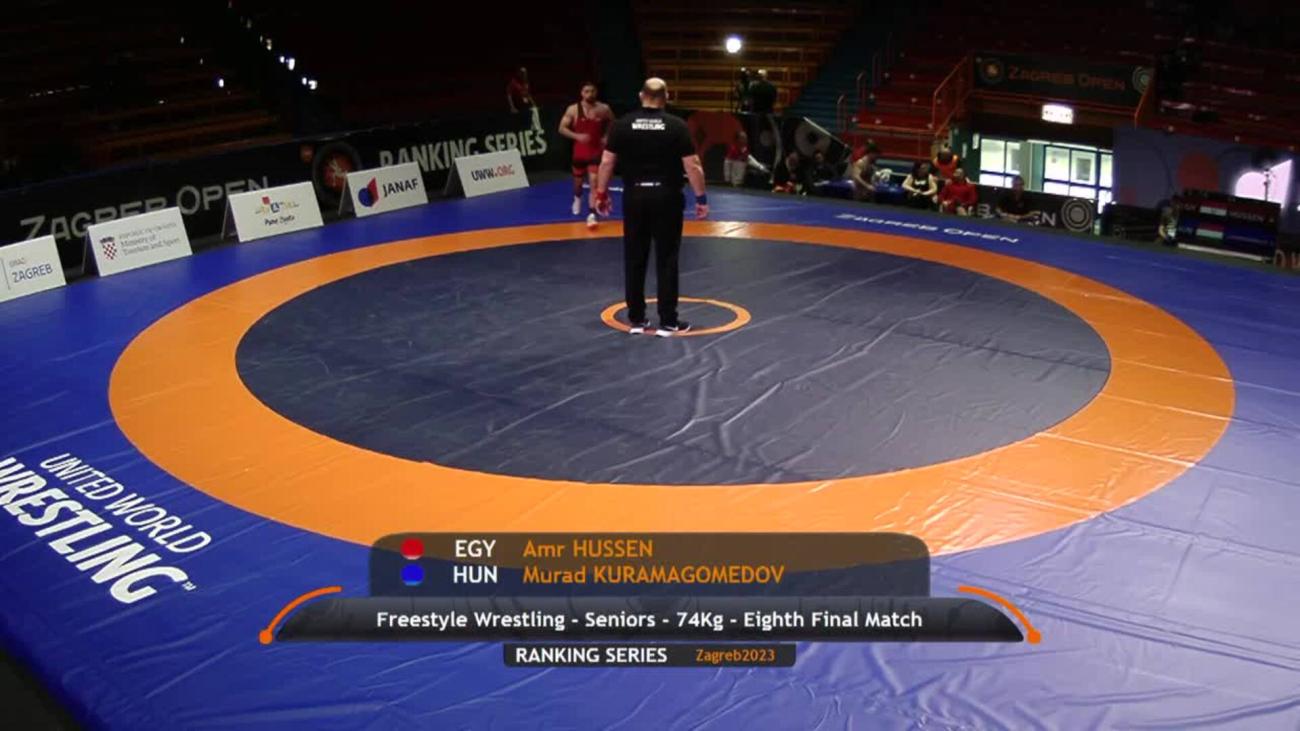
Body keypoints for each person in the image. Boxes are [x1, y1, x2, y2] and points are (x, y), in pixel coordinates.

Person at [594, 78, 708, 337]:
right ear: (666, 96)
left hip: (634, 195)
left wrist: (601, 194)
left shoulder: (622, 124)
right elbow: (693, 166)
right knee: (667, 258)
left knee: (635, 256)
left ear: (640, 95)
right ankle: (668, 321)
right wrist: (701, 198)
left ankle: (636, 318)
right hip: (666, 196)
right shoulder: (676, 126)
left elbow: (607, 162)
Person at [558, 82, 614, 227]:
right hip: (579, 153)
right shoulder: (573, 109)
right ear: (581, 93)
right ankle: (577, 198)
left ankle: (591, 214)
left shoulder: (604, 109)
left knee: (594, 182)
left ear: (596, 92)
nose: (590, 94)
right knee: (578, 185)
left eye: (592, 91)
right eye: (587, 91)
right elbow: (562, 128)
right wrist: (577, 136)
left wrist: (606, 136)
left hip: (595, 152)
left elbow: (612, 122)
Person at [506, 67, 541, 132]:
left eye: (525, 73)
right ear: (518, 73)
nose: (524, 74)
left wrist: (534, 104)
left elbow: (528, 95)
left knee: (534, 111)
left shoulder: (526, 82)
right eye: (522, 73)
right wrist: (512, 107)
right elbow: (509, 95)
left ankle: (535, 129)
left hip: (525, 105)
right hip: (518, 105)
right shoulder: (513, 82)